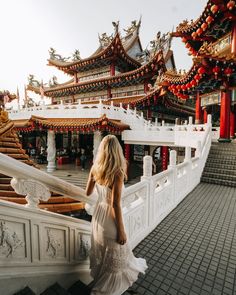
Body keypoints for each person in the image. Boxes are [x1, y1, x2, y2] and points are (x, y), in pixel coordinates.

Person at [85, 135, 147, 295]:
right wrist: (121, 230)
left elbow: (88, 192)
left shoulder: (94, 168)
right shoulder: (117, 172)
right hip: (110, 219)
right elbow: (115, 204)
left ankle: (100, 283)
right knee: (114, 259)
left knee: (103, 252)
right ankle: (106, 290)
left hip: (98, 215)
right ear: (117, 151)